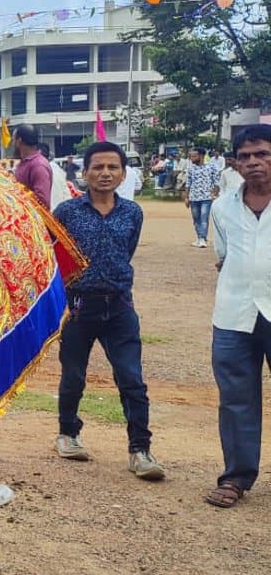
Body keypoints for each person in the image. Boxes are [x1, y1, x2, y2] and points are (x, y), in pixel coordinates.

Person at [51, 141, 164, 481]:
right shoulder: (67, 213)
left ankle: (140, 450)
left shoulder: (133, 213)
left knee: (132, 379)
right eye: (97, 167)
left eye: (112, 167)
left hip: (119, 307)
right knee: (73, 375)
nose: (105, 173)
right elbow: (56, 257)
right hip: (78, 307)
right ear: (84, 173)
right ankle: (68, 434)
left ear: (123, 173)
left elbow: (125, 251)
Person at [205, 125, 271, 508]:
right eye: (244, 156)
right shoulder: (222, 207)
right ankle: (235, 477)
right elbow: (223, 257)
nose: (252, 163)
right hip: (234, 315)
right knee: (235, 399)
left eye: (262, 154)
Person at [181, 148, 220, 248]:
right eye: (191, 156)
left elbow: (216, 182)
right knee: (196, 218)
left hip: (207, 197)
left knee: (204, 217)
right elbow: (188, 183)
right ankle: (199, 238)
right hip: (194, 197)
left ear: (201, 156)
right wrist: (186, 197)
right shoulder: (190, 168)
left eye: (194, 156)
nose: (192, 158)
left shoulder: (211, 167)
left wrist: (214, 194)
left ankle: (202, 238)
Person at [11, 124, 51, 207]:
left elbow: (42, 202)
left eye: (13, 139)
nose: (12, 143)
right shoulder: (24, 162)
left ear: (19, 141)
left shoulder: (38, 166)